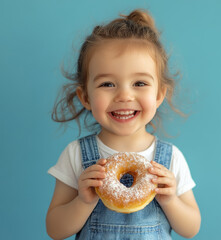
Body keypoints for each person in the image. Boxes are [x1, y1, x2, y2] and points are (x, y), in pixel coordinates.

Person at [46, 9, 201, 240]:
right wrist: (82, 201)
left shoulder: (170, 159)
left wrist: (170, 201)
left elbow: (191, 229)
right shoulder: (76, 155)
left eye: (139, 83)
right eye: (107, 84)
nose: (124, 96)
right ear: (85, 97)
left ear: (159, 95)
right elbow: (55, 230)